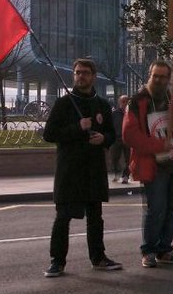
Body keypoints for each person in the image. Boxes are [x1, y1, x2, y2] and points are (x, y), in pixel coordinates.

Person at [42, 58, 121, 277]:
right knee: (63, 217)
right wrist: (77, 127)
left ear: (93, 76)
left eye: (85, 72)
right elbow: (49, 134)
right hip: (70, 169)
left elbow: (112, 135)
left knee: (95, 217)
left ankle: (98, 257)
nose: (81, 76)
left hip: (93, 169)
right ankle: (57, 261)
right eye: (77, 72)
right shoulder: (64, 103)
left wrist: (103, 138)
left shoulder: (103, 105)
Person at [122, 60, 173, 268]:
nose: (160, 80)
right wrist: (159, 145)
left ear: (169, 79)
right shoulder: (137, 102)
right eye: (156, 76)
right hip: (153, 165)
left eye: (163, 77)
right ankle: (149, 250)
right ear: (149, 76)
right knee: (156, 209)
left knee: (172, 210)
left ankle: (164, 249)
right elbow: (129, 135)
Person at [109, 94, 130, 183]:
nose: (125, 104)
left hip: (128, 139)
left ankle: (125, 176)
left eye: (127, 101)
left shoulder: (131, 113)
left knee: (128, 159)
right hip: (116, 138)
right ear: (119, 103)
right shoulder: (114, 113)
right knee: (114, 157)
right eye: (123, 101)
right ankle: (117, 172)